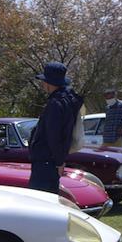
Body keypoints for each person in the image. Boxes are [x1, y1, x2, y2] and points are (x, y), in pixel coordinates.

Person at [27, 62, 84, 194]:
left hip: (46, 162)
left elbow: (54, 136)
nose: (43, 84)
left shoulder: (55, 104)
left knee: (39, 198)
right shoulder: (68, 100)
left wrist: (59, 161)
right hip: (52, 161)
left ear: (49, 82)